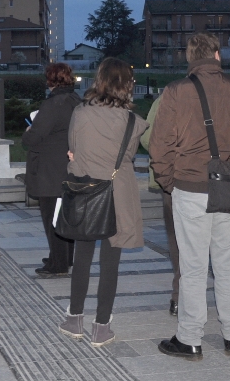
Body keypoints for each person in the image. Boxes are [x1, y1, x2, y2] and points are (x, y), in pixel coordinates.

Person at [149, 33, 230, 360]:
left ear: (190, 58)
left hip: (190, 187)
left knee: (193, 266)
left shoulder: (175, 92)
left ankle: (190, 338)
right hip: (229, 189)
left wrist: (169, 182)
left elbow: (160, 148)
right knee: (229, 264)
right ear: (217, 55)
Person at [58, 57, 147, 347]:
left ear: (100, 80)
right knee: (111, 262)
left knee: (82, 256)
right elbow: (127, 156)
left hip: (85, 190)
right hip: (117, 192)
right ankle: (101, 326)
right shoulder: (133, 121)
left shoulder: (80, 111)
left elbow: (73, 148)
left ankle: (74, 319)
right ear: (126, 85)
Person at [22, 62, 80, 277]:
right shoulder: (76, 101)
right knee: (65, 218)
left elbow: (34, 137)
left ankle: (58, 264)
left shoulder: (54, 103)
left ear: (50, 79)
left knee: (52, 219)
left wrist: (28, 130)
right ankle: (65, 258)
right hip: (69, 167)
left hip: (49, 170)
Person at [140, 91, 181, 315]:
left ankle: (179, 296)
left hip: (174, 179)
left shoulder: (167, 97)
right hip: (215, 180)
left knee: (177, 240)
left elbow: (148, 138)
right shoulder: (228, 92)